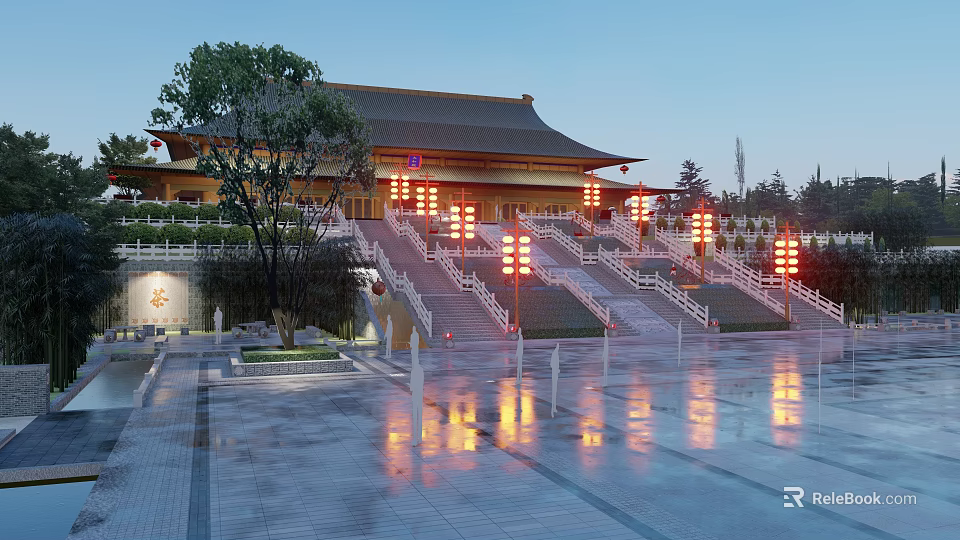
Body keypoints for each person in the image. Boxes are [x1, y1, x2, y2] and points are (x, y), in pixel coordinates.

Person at [410, 326, 424, 446]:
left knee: (415, 417)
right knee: (420, 417)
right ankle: (419, 437)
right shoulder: (421, 371)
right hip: (421, 395)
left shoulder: (414, 372)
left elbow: (411, 387)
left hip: (415, 396)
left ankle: (416, 438)